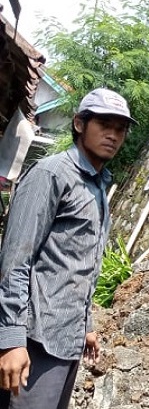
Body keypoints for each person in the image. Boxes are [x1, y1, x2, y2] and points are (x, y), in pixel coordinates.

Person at [0, 88, 137, 408]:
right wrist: (11, 341)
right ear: (79, 124)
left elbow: (79, 264)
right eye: (104, 124)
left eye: (120, 129)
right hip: (36, 342)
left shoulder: (98, 184)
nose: (113, 135)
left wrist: (85, 327)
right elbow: (15, 260)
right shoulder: (50, 175)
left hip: (67, 339)